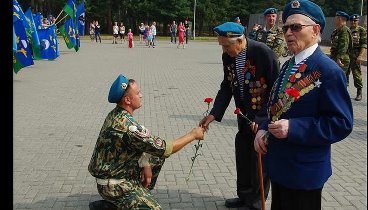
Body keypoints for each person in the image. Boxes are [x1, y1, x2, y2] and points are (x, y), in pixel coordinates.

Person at [254, 1, 354, 210]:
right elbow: (273, 105)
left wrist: (294, 128)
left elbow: (341, 123)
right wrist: (262, 128)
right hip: (280, 166)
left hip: (304, 173)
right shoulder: (289, 65)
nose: (288, 33)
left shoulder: (328, 70)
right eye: (286, 28)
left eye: (296, 27)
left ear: (315, 30)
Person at [88, 74, 205, 209]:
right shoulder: (129, 127)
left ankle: (138, 196)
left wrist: (146, 163)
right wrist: (193, 135)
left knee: (153, 157)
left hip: (115, 175)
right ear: (127, 100)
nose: (141, 95)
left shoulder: (116, 114)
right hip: (115, 186)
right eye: (138, 93)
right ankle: (115, 204)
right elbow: (165, 148)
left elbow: (141, 146)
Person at [199, 22, 279, 209]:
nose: (225, 50)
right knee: (243, 156)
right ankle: (244, 196)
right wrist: (213, 114)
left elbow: (276, 90)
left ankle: (256, 203)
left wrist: (262, 120)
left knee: (258, 160)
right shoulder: (228, 57)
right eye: (222, 46)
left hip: (262, 117)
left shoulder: (263, 53)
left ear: (241, 40)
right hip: (242, 116)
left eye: (227, 46)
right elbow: (227, 86)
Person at [330, 11, 353, 85]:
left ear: (339, 19)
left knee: (340, 81)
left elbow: (344, 45)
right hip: (335, 57)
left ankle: (341, 96)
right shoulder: (337, 30)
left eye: (336, 18)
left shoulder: (344, 30)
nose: (334, 20)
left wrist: (339, 58)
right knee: (335, 80)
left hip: (341, 59)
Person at [348, 14, 367, 101]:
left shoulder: (361, 30)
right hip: (346, 55)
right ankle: (344, 91)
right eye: (352, 20)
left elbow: (363, 44)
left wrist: (360, 56)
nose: (353, 22)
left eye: (355, 20)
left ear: (358, 21)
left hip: (356, 55)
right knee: (344, 74)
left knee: (357, 74)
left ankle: (359, 93)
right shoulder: (347, 30)